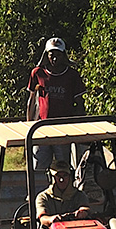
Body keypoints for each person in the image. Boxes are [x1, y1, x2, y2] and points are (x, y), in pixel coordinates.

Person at [27, 36, 85, 173]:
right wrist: (29, 126)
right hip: (41, 129)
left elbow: (80, 104)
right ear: (46, 55)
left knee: (63, 168)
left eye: (58, 55)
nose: (54, 58)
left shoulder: (72, 75)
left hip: (63, 130)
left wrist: (78, 128)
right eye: (51, 55)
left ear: (63, 55)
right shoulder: (38, 73)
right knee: (38, 168)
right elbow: (31, 101)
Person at [35, 151, 96, 229]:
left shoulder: (79, 195)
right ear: (51, 177)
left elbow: (85, 207)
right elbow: (43, 218)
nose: (62, 179)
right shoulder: (43, 197)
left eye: (65, 175)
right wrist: (51, 219)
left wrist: (83, 212)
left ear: (70, 176)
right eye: (58, 176)